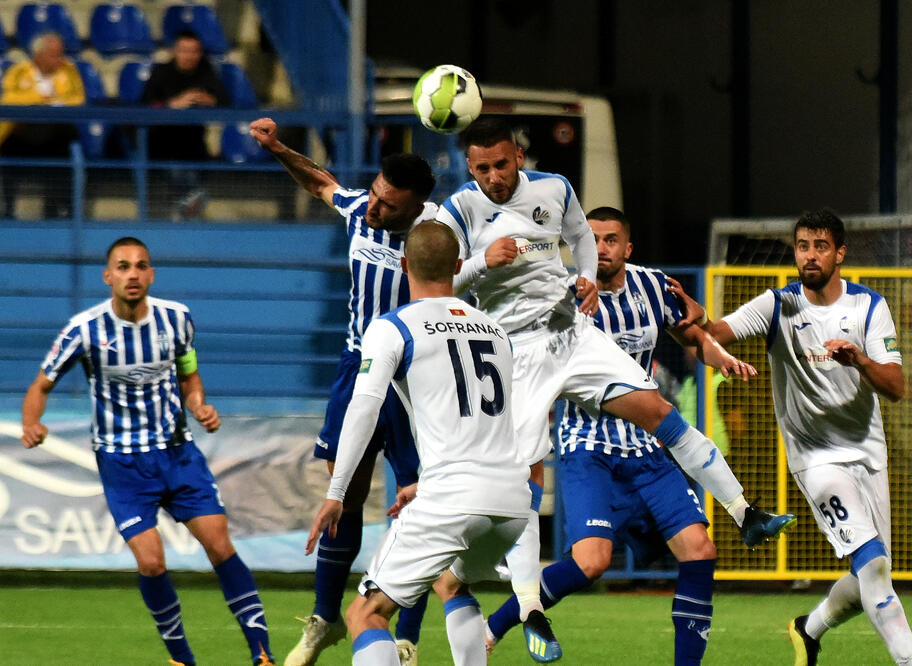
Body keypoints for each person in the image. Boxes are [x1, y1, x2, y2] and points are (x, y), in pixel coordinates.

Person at [436, 117, 794, 661]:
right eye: (482, 168)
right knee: (529, 480)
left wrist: (582, 278)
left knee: (658, 409)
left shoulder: (554, 190)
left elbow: (579, 237)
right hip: (518, 356)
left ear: (519, 157)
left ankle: (746, 513)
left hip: (569, 334)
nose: (494, 178)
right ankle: (527, 607)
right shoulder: (458, 209)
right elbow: (436, 278)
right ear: (470, 167)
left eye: (502, 165)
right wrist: (484, 260)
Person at [485, 207, 762, 663]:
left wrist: (718, 354)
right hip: (588, 446)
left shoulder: (652, 286)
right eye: (592, 239)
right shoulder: (558, 295)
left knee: (699, 551)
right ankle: (492, 628)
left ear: (627, 247)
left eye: (611, 239)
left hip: (648, 450)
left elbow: (692, 335)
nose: (602, 248)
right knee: (592, 561)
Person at [21, 237, 274, 665]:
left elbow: (189, 375)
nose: (132, 274)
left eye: (140, 266)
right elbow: (40, 385)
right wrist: (31, 422)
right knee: (152, 563)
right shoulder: (84, 329)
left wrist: (199, 407)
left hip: (177, 454)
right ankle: (181, 659)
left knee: (220, 546)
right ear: (108, 276)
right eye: (122, 267)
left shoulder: (177, 320)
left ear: (151, 274)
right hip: (122, 463)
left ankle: (262, 654)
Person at [689, 209, 912, 666]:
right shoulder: (777, 305)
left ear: (840, 253)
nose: (810, 256)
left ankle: (808, 629)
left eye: (820, 246)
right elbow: (710, 338)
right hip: (816, 460)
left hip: (869, 455)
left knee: (870, 580)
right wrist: (690, 325)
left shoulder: (868, 307)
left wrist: (859, 361)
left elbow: (895, 387)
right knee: (873, 566)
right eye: (802, 246)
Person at [249, 117, 436, 666]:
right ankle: (326, 620)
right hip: (357, 370)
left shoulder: (438, 237)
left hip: (416, 380)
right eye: (375, 195)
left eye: (388, 205)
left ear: (417, 209)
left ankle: (407, 639)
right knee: (344, 494)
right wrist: (280, 147)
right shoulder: (359, 211)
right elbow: (318, 182)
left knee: (420, 506)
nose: (375, 208)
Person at [304, 220, 530, 666]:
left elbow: (363, 409)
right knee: (451, 584)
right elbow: (493, 426)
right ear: (459, 265)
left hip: (453, 497)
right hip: (511, 502)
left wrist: (336, 494)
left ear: (404, 264)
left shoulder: (392, 327)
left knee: (366, 614)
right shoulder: (496, 331)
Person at [140, 29, 230, 219]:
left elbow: (225, 102)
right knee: (183, 175)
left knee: (194, 172)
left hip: (195, 146)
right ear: (175, 51)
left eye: (194, 51)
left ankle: (186, 214)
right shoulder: (161, 72)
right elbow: (145, 105)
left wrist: (209, 100)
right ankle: (188, 216)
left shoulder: (206, 73)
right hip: (163, 145)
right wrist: (171, 104)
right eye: (184, 50)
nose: (189, 56)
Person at [0, 31, 85, 218]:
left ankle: (56, 211)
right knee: (7, 153)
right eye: (54, 54)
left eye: (60, 53)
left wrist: (54, 102)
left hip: (55, 135)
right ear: (38, 54)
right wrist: (40, 98)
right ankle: (7, 210)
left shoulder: (68, 71)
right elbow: (8, 98)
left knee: (64, 150)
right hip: (21, 132)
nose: (59, 59)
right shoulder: (18, 71)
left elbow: (78, 99)